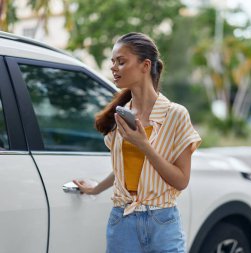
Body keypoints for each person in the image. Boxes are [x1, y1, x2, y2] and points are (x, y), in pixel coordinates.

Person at [73, 32, 201, 253]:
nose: (114, 68)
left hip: (163, 222)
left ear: (145, 65)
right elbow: (125, 168)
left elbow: (181, 181)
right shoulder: (120, 116)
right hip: (122, 222)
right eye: (113, 62)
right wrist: (96, 189)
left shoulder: (175, 115)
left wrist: (144, 145)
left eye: (121, 62)